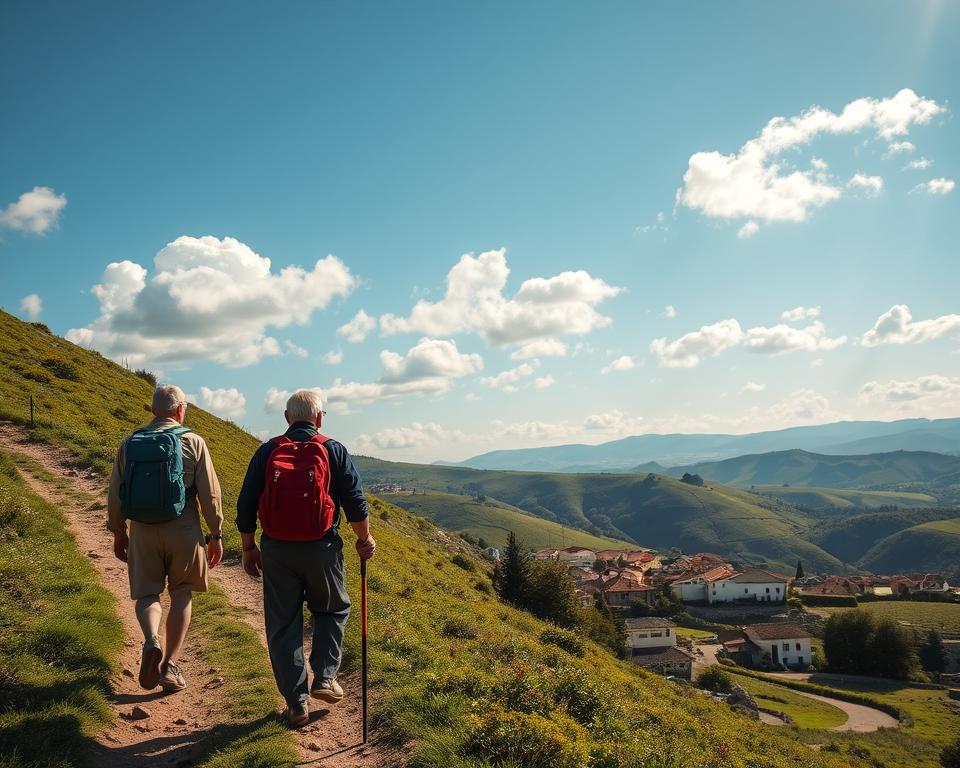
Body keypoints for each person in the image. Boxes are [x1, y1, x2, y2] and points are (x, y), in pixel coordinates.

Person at [236, 389, 375, 727]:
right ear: (320, 418)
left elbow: (246, 502)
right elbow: (355, 502)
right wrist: (364, 538)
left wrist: (248, 547)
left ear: (287, 419)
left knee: (283, 625)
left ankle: (297, 704)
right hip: (322, 548)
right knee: (332, 608)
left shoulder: (268, 450)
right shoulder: (332, 449)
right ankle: (325, 677)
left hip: (277, 549)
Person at [108, 384, 224, 693]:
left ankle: (151, 640)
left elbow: (116, 493)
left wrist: (119, 531)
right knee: (182, 592)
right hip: (183, 527)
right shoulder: (193, 442)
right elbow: (210, 494)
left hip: (143, 529)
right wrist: (215, 534)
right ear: (180, 410)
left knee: (147, 594)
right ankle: (169, 666)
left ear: (153, 411)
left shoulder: (130, 443)